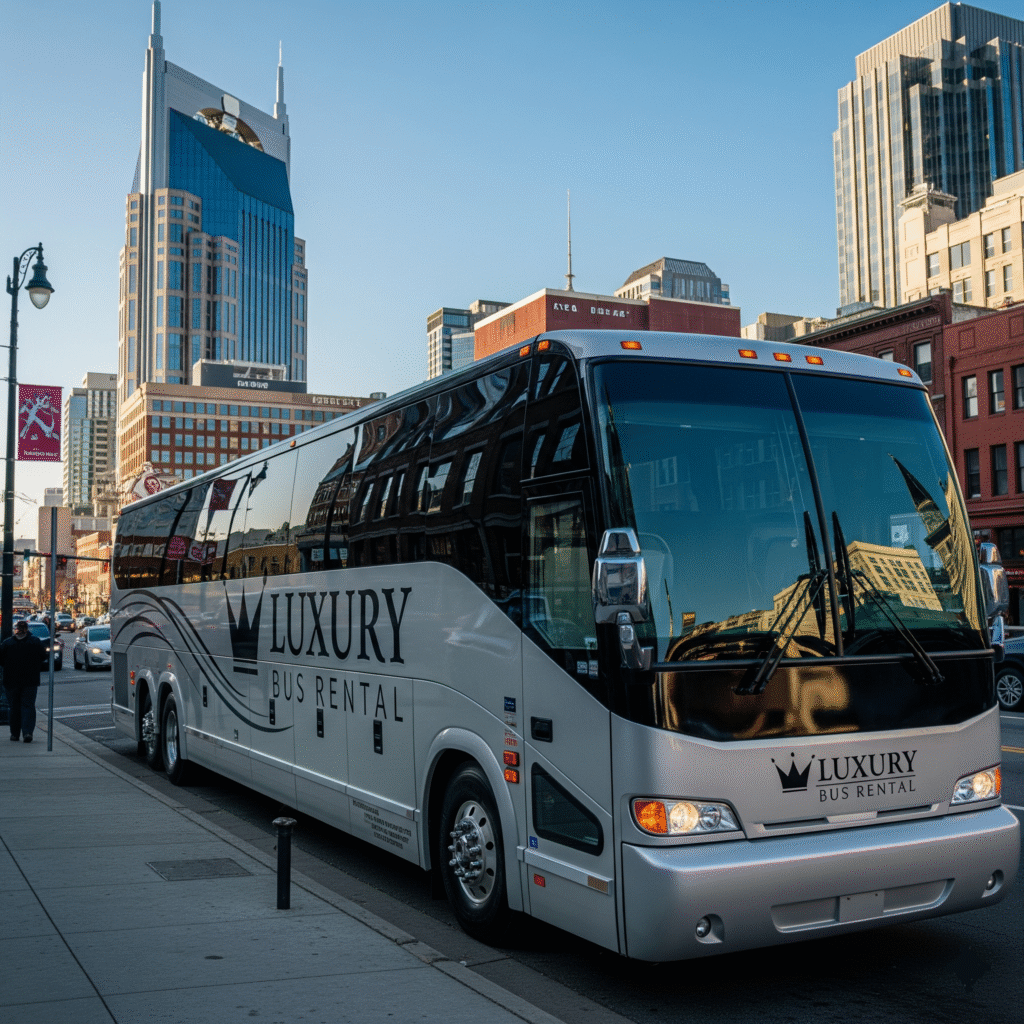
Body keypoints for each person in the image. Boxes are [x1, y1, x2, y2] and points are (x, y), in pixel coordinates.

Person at [0, 620, 45, 742]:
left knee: (13, 707)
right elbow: (43, 656)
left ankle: (15, 734)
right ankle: (27, 732)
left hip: (11, 680)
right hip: (30, 680)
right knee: (28, 706)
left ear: (16, 630)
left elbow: (1, 660)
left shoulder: (7, 643)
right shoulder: (35, 642)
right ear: (27, 629)